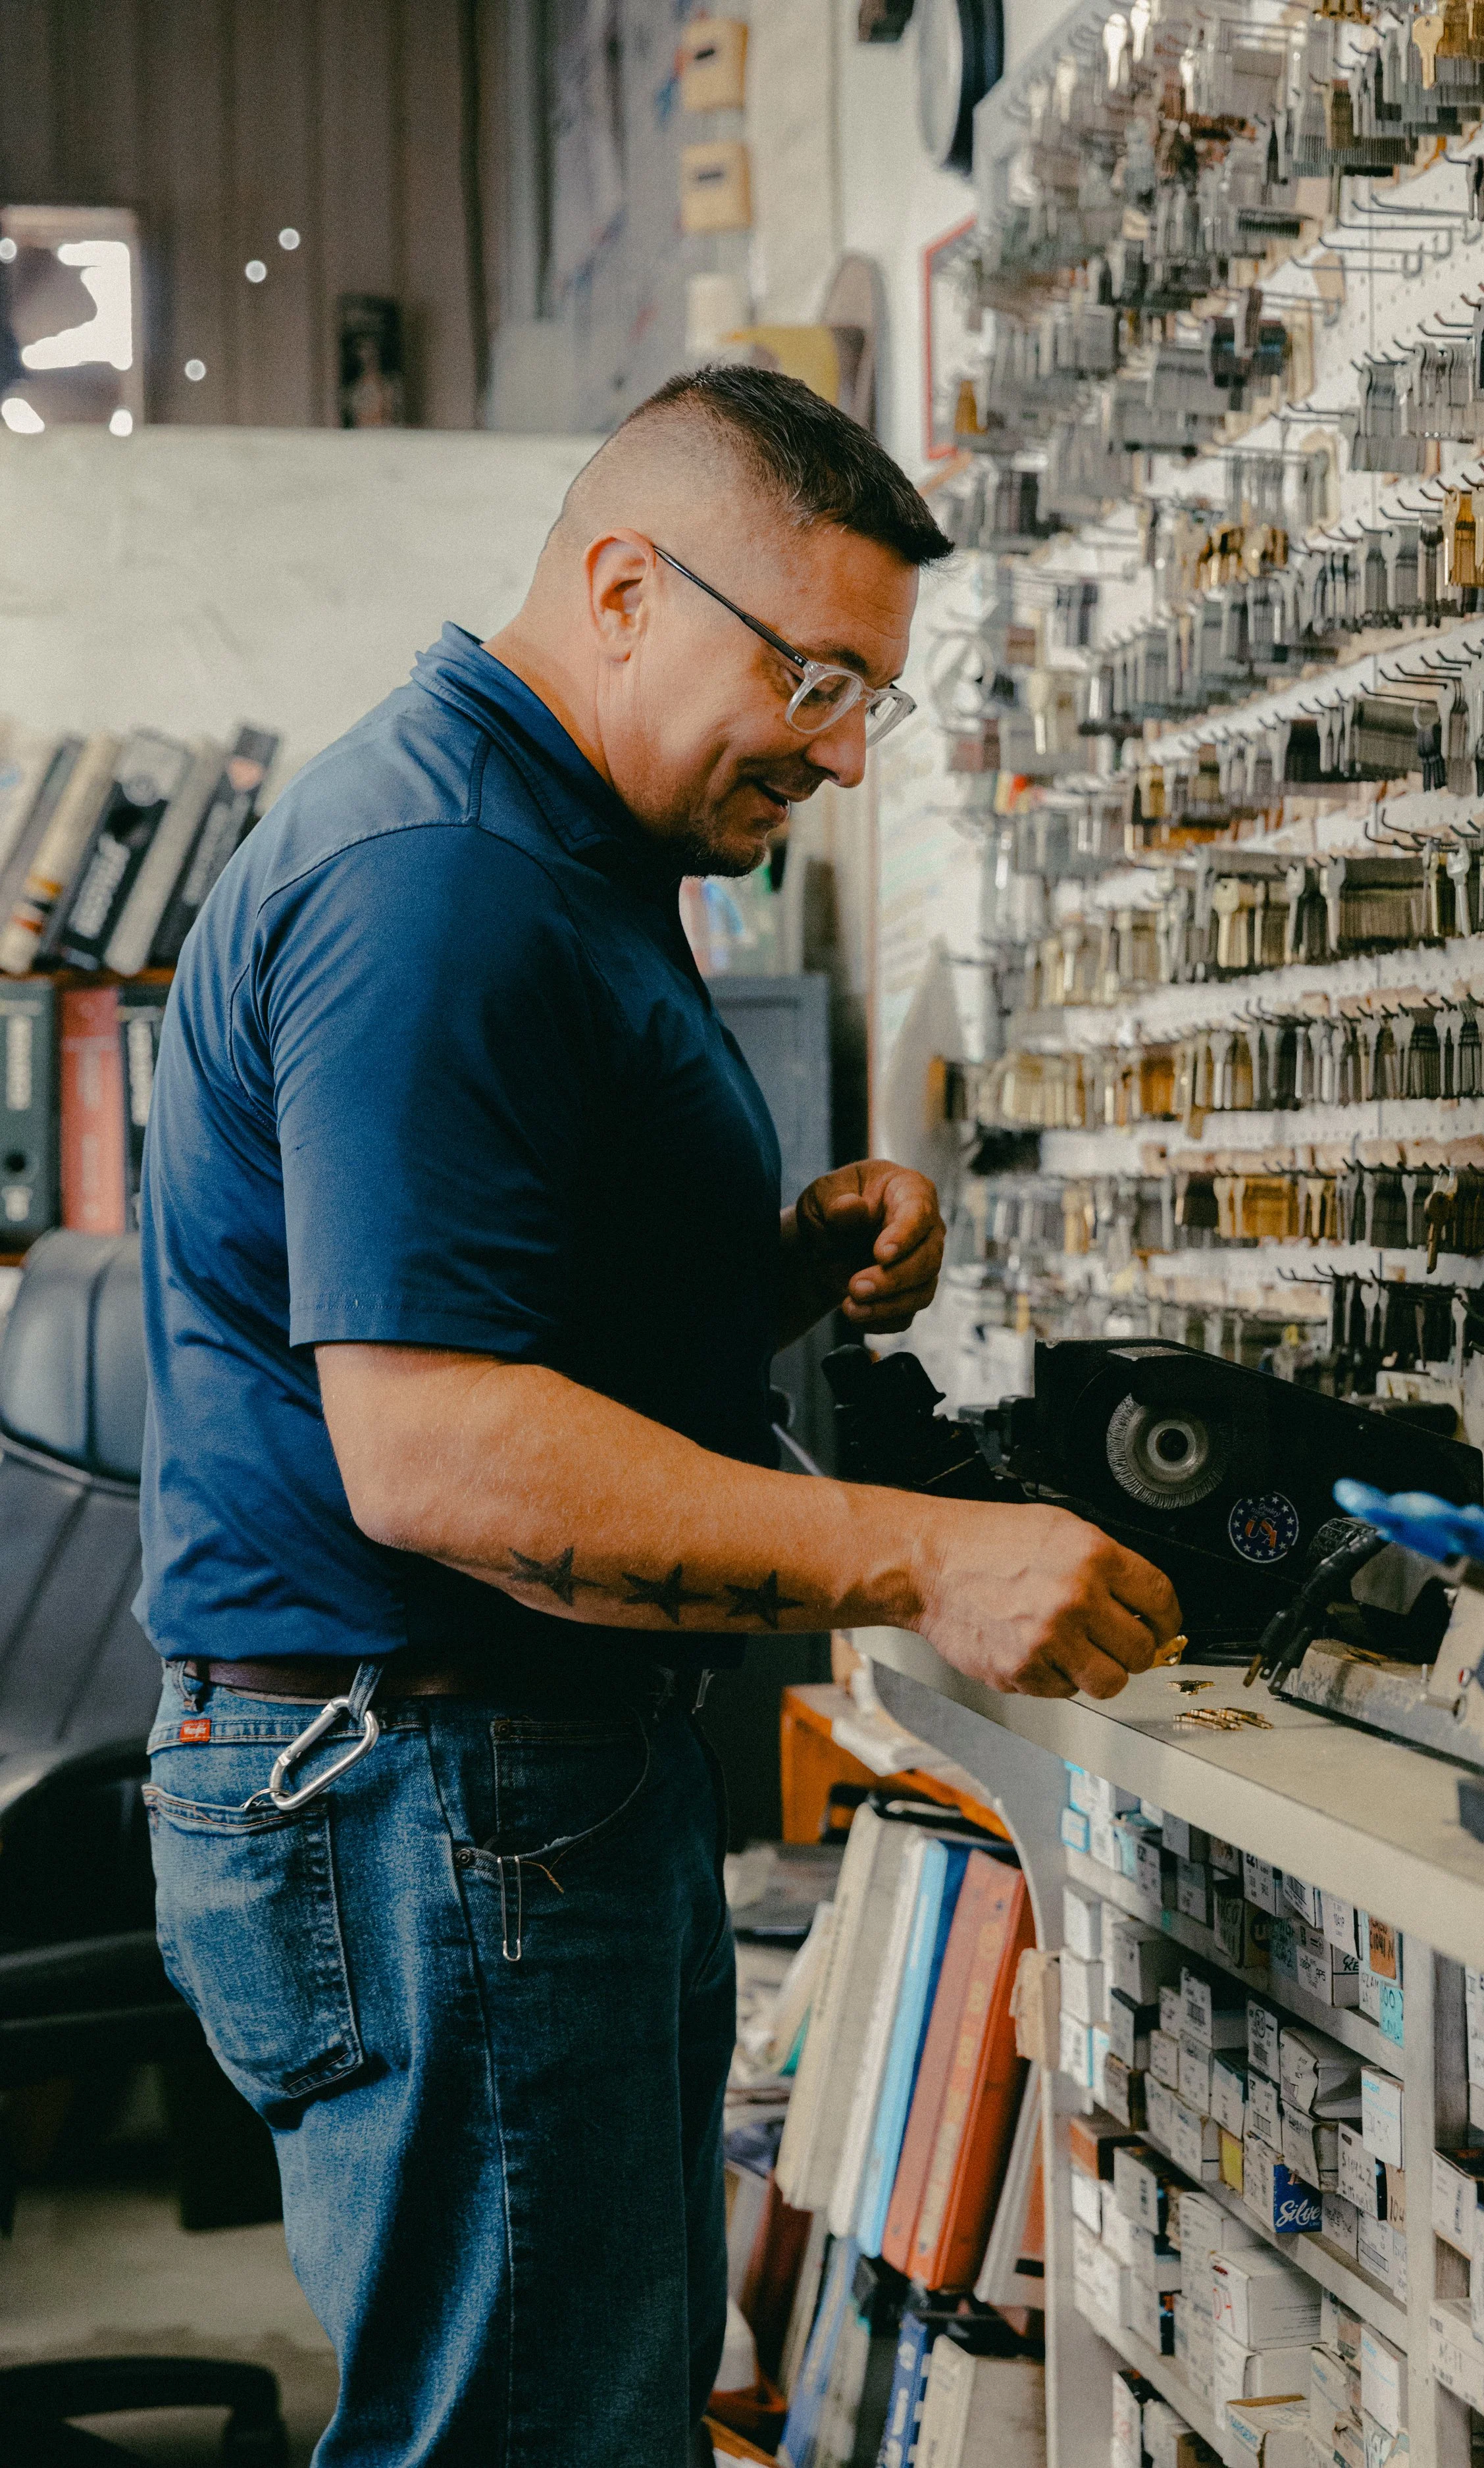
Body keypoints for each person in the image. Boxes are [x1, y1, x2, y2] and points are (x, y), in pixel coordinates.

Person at [139, 364, 1180, 2467]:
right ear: (622, 585)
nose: (839, 746)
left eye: (867, 695)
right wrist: (923, 1548)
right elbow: (430, 1442)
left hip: (482, 1783)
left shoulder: (555, 847)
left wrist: (778, 1257)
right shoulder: (441, 880)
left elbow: (506, 1292)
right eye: (807, 673)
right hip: (434, 1785)